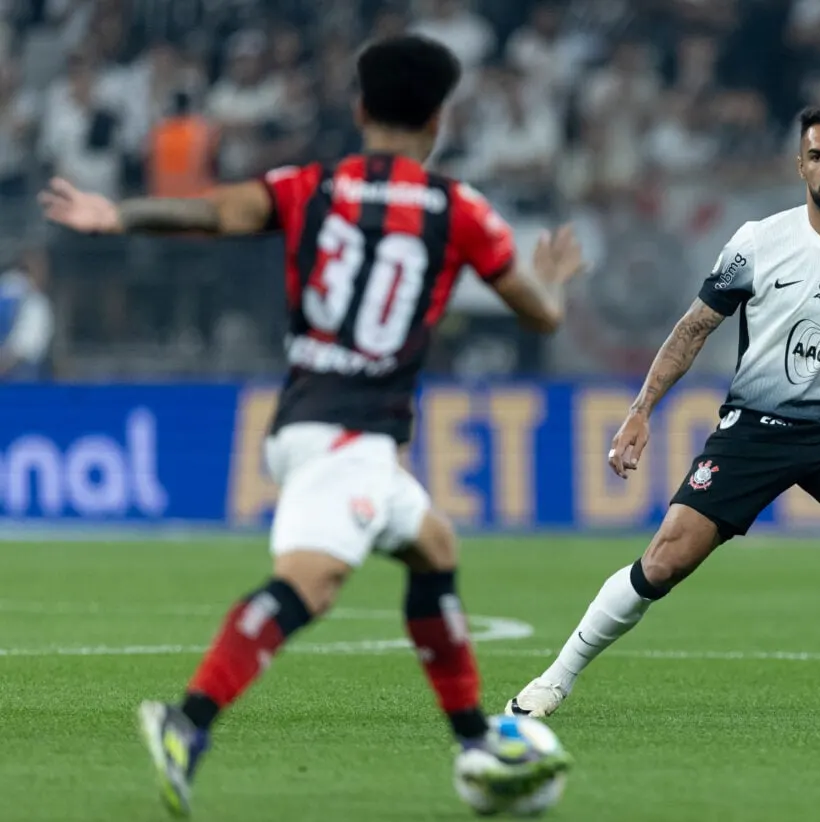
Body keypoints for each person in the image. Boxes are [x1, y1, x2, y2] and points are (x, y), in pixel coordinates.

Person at [41, 34, 582, 816]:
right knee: (311, 585)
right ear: (438, 121)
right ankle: (187, 724)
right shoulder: (457, 209)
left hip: (316, 416)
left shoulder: (308, 185)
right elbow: (537, 312)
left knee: (434, 547)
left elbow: (215, 213)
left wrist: (117, 214)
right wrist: (554, 281)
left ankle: (475, 742)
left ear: (360, 110)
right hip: (350, 435)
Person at [505, 105, 820, 728]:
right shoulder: (759, 242)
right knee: (663, 561)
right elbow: (694, 329)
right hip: (754, 429)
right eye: (818, 156)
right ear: (800, 166)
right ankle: (550, 682)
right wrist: (639, 412)